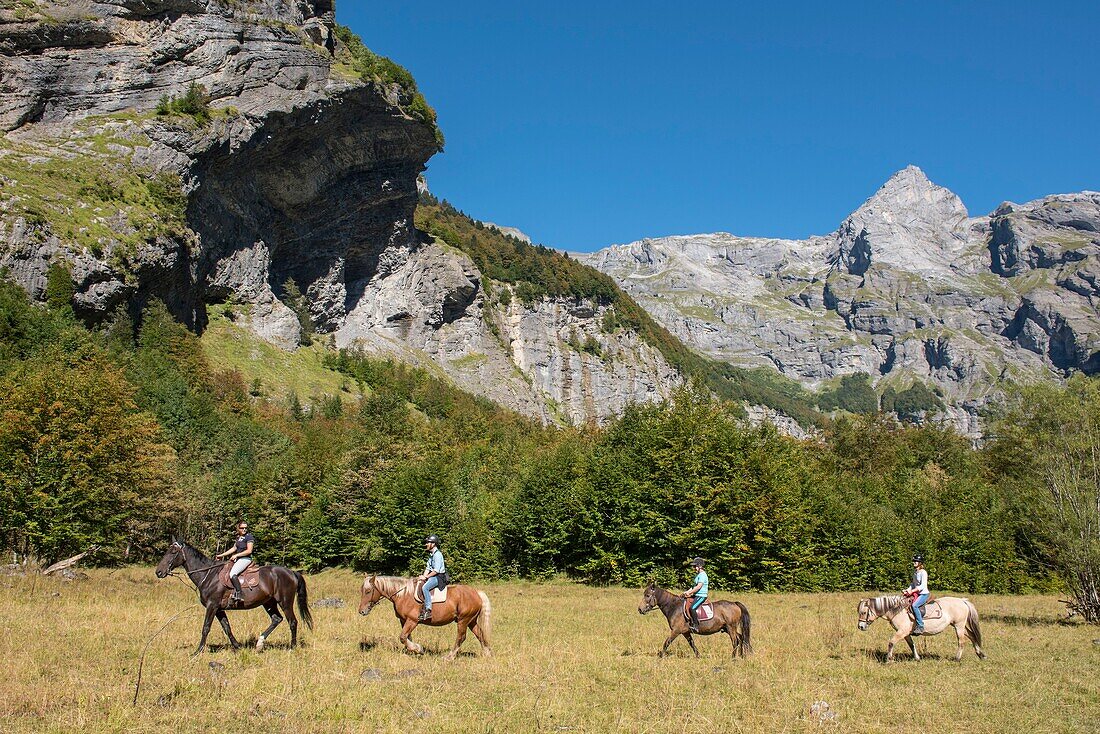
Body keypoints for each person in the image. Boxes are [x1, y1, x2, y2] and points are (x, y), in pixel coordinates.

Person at [216, 521, 255, 603]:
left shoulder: (249, 537)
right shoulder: (238, 537)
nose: (244, 529)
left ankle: (239, 593)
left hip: (245, 559)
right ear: (238, 528)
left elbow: (249, 551)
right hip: (238, 559)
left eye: (246, 528)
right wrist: (221, 555)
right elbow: (234, 548)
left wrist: (237, 555)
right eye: (242, 528)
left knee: (232, 574)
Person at [417, 534, 446, 622]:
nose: (426, 544)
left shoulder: (437, 555)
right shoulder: (431, 555)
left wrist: (426, 577)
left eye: (428, 542)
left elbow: (436, 570)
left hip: (439, 577)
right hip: (433, 575)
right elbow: (428, 568)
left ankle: (428, 609)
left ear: (433, 544)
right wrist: (422, 577)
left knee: (425, 587)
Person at [681, 557, 709, 633]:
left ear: (700, 566)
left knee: (692, 608)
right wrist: (686, 592)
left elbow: (698, 586)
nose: (694, 568)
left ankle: (696, 625)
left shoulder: (703, 575)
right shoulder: (698, 575)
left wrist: (690, 593)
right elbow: (693, 587)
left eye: (695, 566)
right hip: (696, 595)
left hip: (701, 596)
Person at [905, 554, 930, 634]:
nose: (914, 562)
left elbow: (923, 586)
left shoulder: (923, 573)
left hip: (923, 594)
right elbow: (913, 584)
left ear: (920, 563)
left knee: (914, 606)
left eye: (916, 561)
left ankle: (920, 625)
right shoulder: (915, 572)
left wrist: (912, 591)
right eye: (914, 561)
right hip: (917, 593)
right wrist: (907, 589)